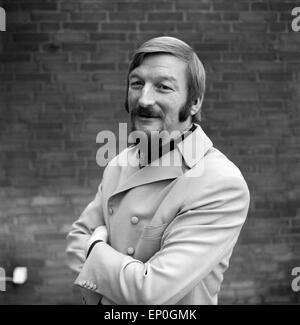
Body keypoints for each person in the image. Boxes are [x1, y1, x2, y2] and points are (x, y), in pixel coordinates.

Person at [66, 36, 250, 305]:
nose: (144, 99)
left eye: (163, 87)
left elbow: (150, 293)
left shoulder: (221, 182)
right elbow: (74, 244)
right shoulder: (120, 162)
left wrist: (95, 248)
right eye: (136, 83)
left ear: (195, 101)